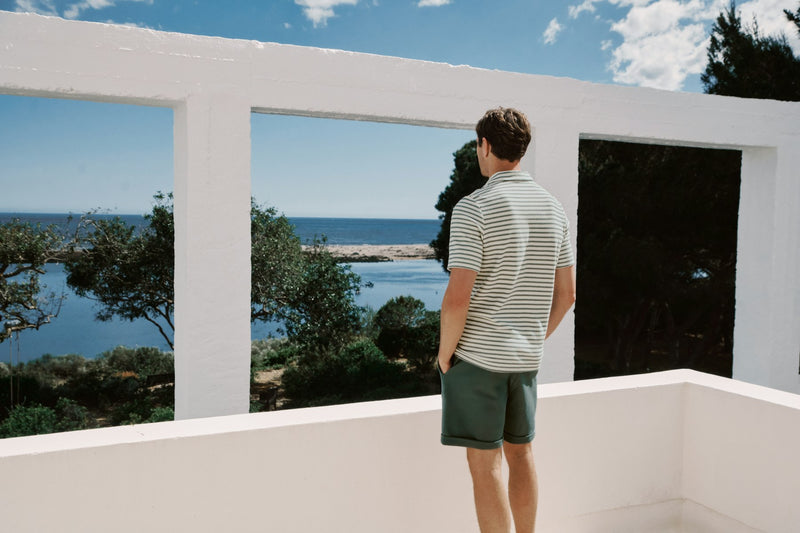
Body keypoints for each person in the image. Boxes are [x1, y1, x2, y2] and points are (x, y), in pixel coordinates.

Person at [438, 107, 576, 533]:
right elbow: (567, 295)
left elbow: (458, 297)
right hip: (525, 360)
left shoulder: (474, 206)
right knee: (522, 454)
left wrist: (445, 357)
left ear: (485, 146)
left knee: (485, 466)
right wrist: (534, 338)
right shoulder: (555, 210)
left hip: (478, 361)